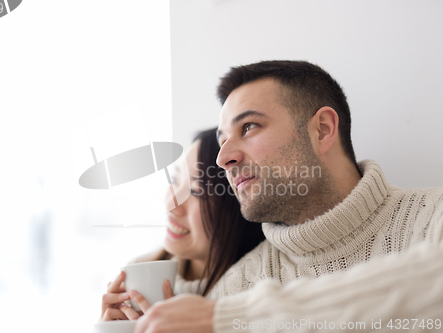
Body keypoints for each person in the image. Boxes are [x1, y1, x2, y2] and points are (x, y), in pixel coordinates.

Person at [133, 61, 443, 333]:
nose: (223, 157)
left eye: (249, 126)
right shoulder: (236, 288)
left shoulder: (435, 216)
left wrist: (241, 319)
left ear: (322, 130)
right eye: (223, 139)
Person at [100, 127, 265, 321]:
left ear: (240, 207)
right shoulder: (139, 273)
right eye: (175, 180)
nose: (171, 205)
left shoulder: (261, 297)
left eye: (196, 192)